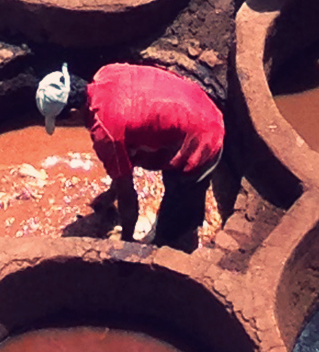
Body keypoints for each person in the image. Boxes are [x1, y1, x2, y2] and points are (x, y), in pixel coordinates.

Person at [37, 62, 224, 249]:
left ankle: (182, 240)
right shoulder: (106, 72)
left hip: (203, 138)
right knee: (176, 192)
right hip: (198, 104)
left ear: (73, 114)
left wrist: (126, 242)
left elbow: (127, 196)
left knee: (171, 231)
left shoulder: (105, 133)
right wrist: (111, 194)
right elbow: (130, 127)